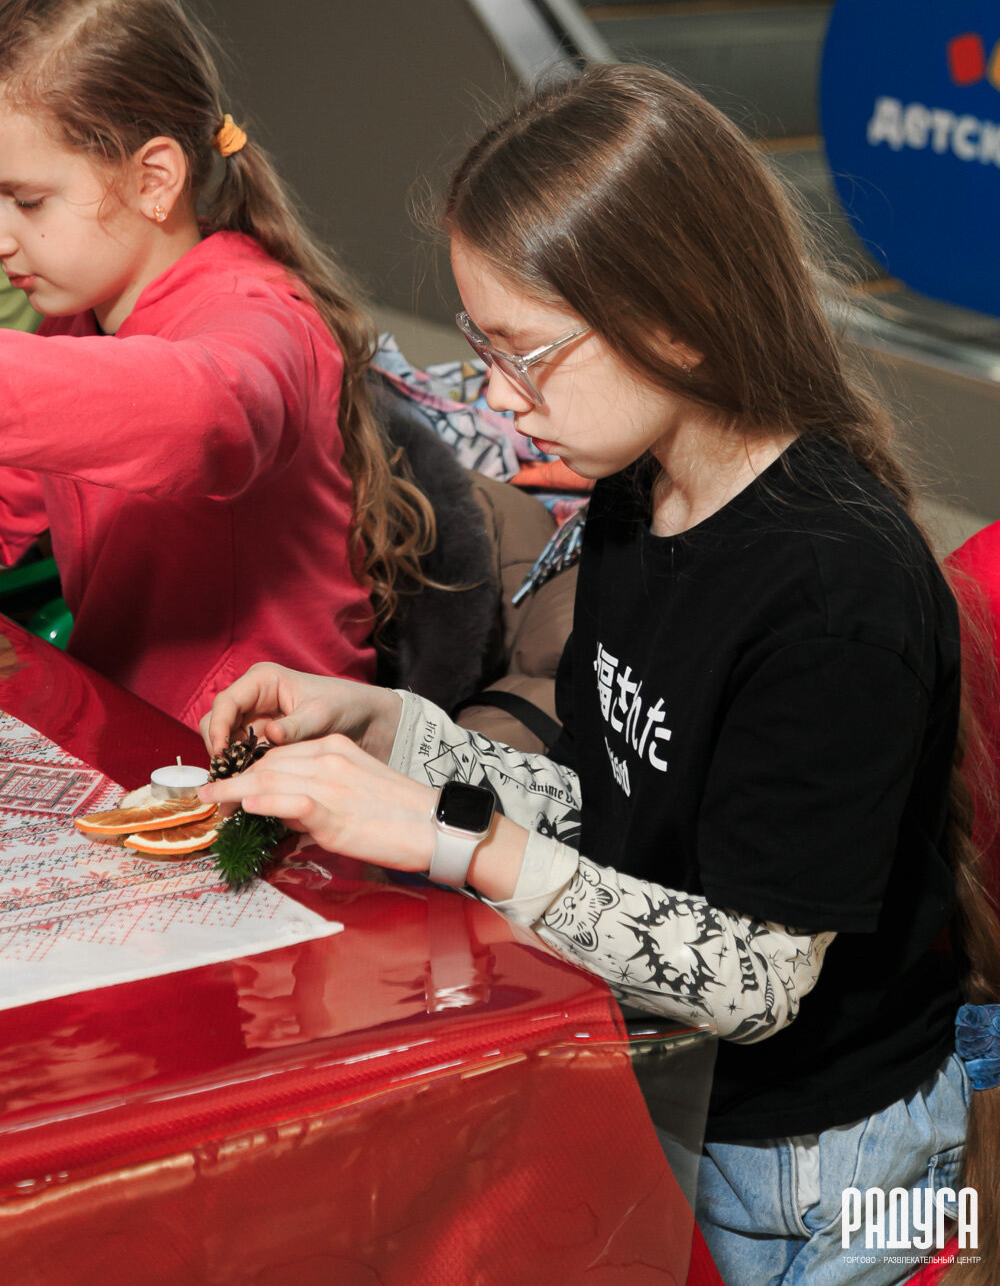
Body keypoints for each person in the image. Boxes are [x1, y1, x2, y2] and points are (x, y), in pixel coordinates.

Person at [200, 66, 1000, 1285]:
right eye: (483, 348)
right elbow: (606, 801)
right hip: (676, 1099)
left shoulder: (835, 596)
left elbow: (752, 979)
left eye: (524, 355)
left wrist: (450, 834)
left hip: (830, 1173)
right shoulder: (635, 496)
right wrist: (392, 733)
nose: (500, 403)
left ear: (676, 322)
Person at [0, 0, 436, 728]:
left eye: (28, 202)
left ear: (154, 180)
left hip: (266, 757)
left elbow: (211, 417)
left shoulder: (261, 315)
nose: (3, 238)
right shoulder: (75, 318)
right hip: (132, 729)